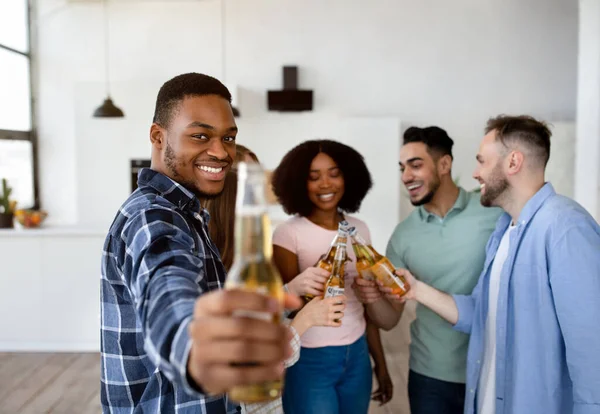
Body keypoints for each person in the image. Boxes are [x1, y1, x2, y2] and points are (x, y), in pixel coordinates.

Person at [100, 73, 300, 414]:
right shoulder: (151, 217)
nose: (221, 152)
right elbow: (166, 285)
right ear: (158, 136)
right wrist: (192, 347)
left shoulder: (188, 214)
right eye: (200, 136)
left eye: (229, 137)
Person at [383, 115, 600, 414]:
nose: (475, 173)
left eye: (482, 161)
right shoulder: (503, 232)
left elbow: (592, 347)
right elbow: (483, 313)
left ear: (513, 162)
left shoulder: (565, 226)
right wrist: (416, 289)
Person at [353, 126, 502, 414]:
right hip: (431, 374)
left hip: (491, 367)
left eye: (416, 165)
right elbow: (389, 320)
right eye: (402, 168)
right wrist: (372, 298)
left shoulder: (492, 212)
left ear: (444, 164)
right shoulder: (403, 236)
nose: (406, 176)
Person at [207, 145, 350, 414]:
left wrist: (291, 289)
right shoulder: (213, 263)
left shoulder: (241, 251)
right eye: (251, 182)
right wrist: (305, 319)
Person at [270, 139, 395, 414]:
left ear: (348, 177)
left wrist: (381, 365)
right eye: (313, 177)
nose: (326, 184)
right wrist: (316, 282)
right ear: (299, 183)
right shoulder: (288, 234)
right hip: (308, 358)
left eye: (334, 173)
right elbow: (284, 311)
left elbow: (366, 306)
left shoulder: (359, 228)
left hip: (357, 354)